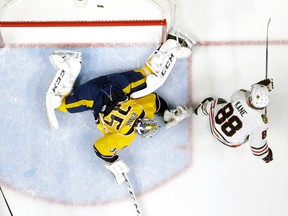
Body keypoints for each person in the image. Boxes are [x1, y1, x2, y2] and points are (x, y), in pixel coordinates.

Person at [45, 27, 196, 184]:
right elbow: (99, 148)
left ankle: (173, 44)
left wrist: (165, 113)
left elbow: (155, 101)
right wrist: (112, 161)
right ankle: (70, 66)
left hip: (115, 86)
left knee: (152, 78)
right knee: (60, 105)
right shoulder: (125, 137)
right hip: (96, 96)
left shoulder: (140, 114)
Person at [194, 79, 274, 163]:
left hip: (213, 125)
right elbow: (257, 147)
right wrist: (266, 156)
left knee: (219, 102)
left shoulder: (240, 96)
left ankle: (199, 110)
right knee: (250, 132)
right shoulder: (260, 122)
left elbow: (239, 95)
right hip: (229, 141)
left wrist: (259, 86)